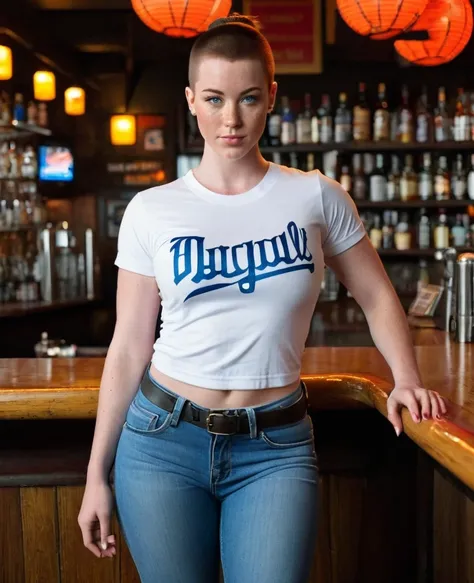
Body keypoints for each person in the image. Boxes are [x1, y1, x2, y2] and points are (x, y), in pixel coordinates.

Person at [78, 13, 448, 583]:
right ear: (191, 100)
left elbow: (376, 295)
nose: (231, 118)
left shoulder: (316, 197)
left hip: (274, 444)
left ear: (271, 96)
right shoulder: (151, 210)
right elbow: (129, 346)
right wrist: (96, 474)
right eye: (214, 98)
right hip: (160, 442)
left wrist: (405, 377)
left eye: (248, 98)